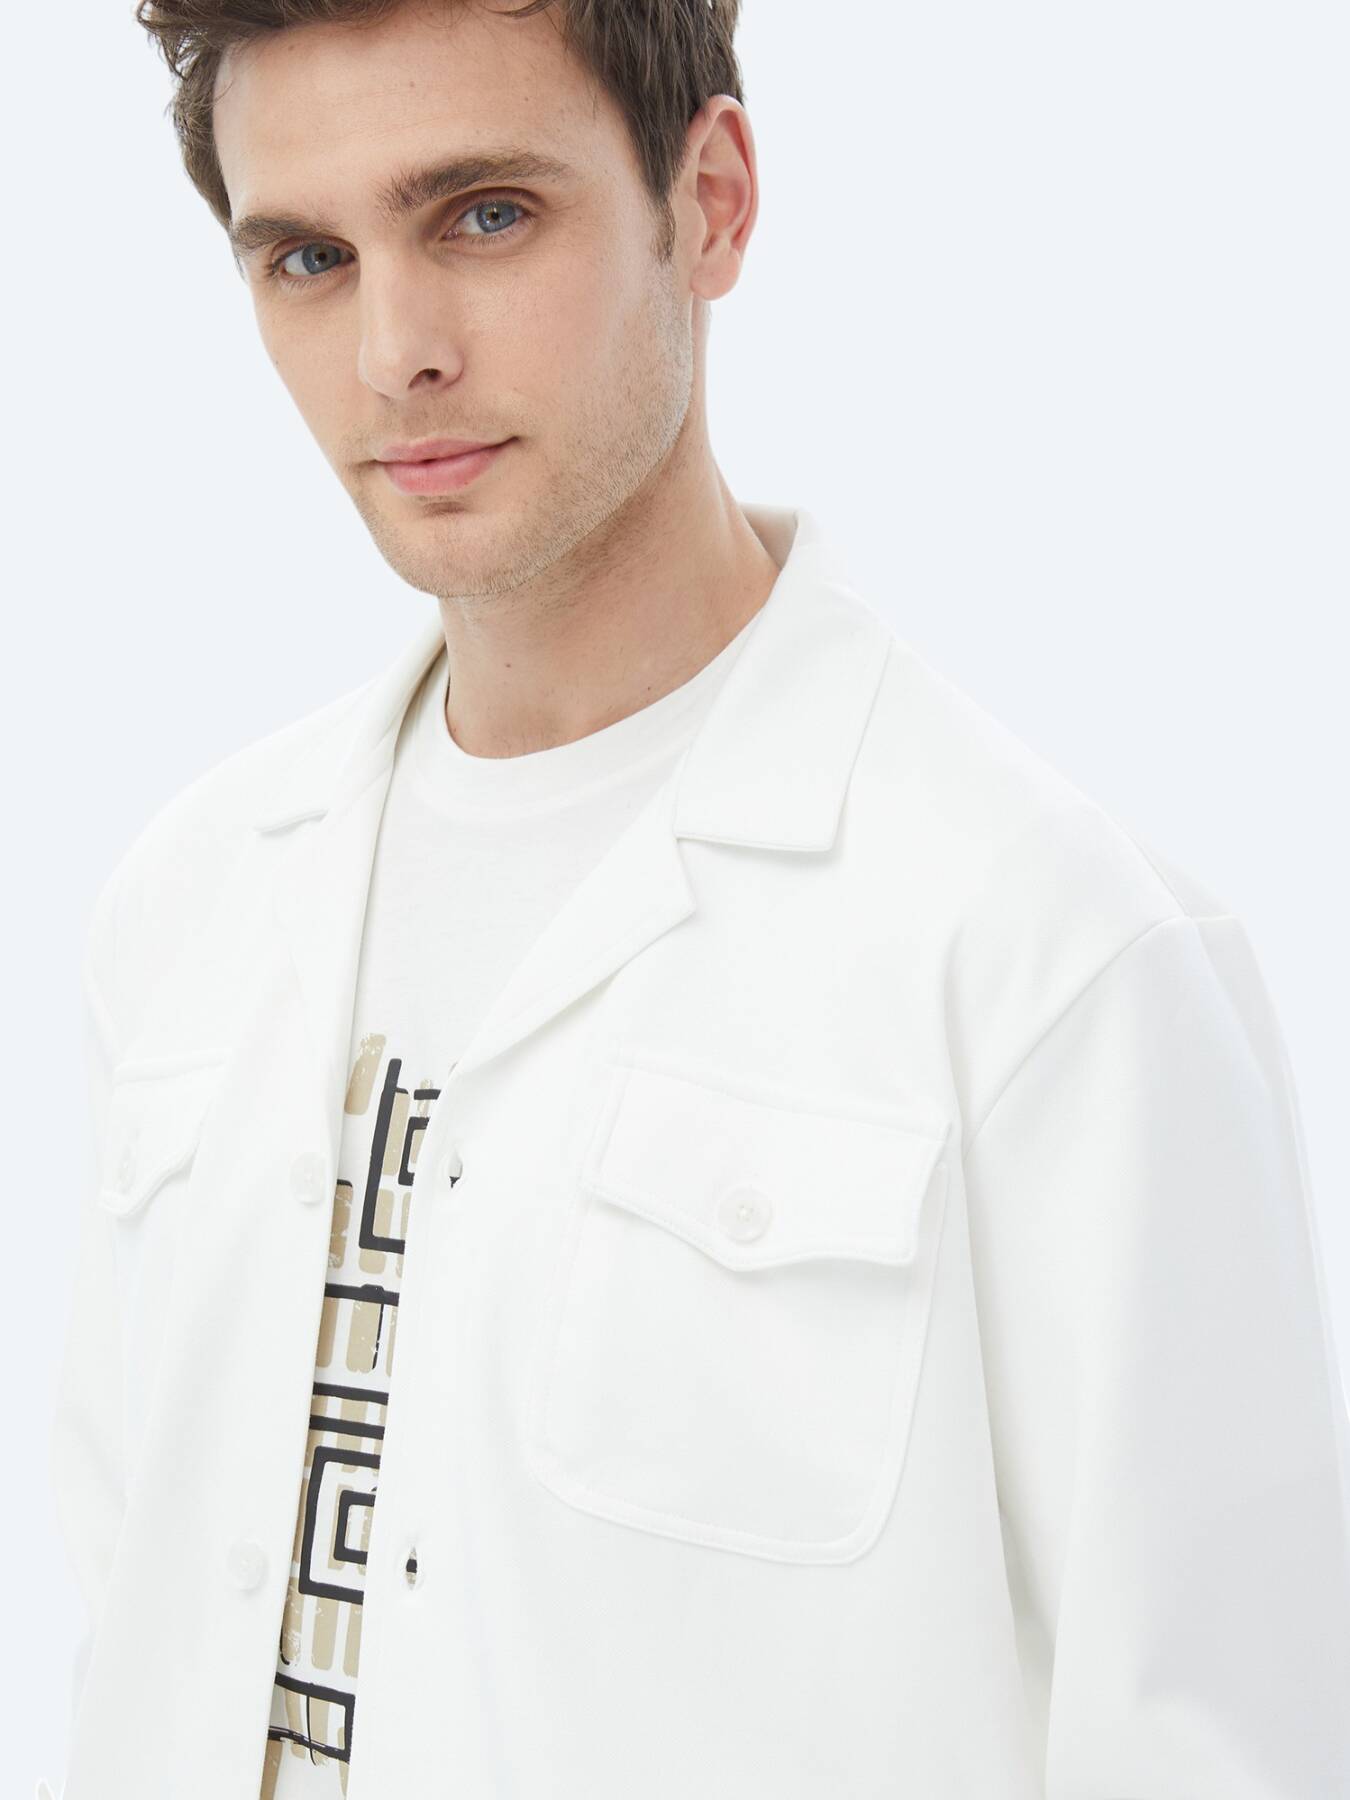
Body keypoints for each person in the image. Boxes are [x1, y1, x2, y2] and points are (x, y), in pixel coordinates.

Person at [41, 1, 1350, 1796]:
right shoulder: (183, 906)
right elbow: (135, 1618)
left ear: (710, 199)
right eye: (307, 259)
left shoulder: (1046, 946)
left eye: (484, 215)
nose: (395, 352)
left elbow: (1209, 1747)